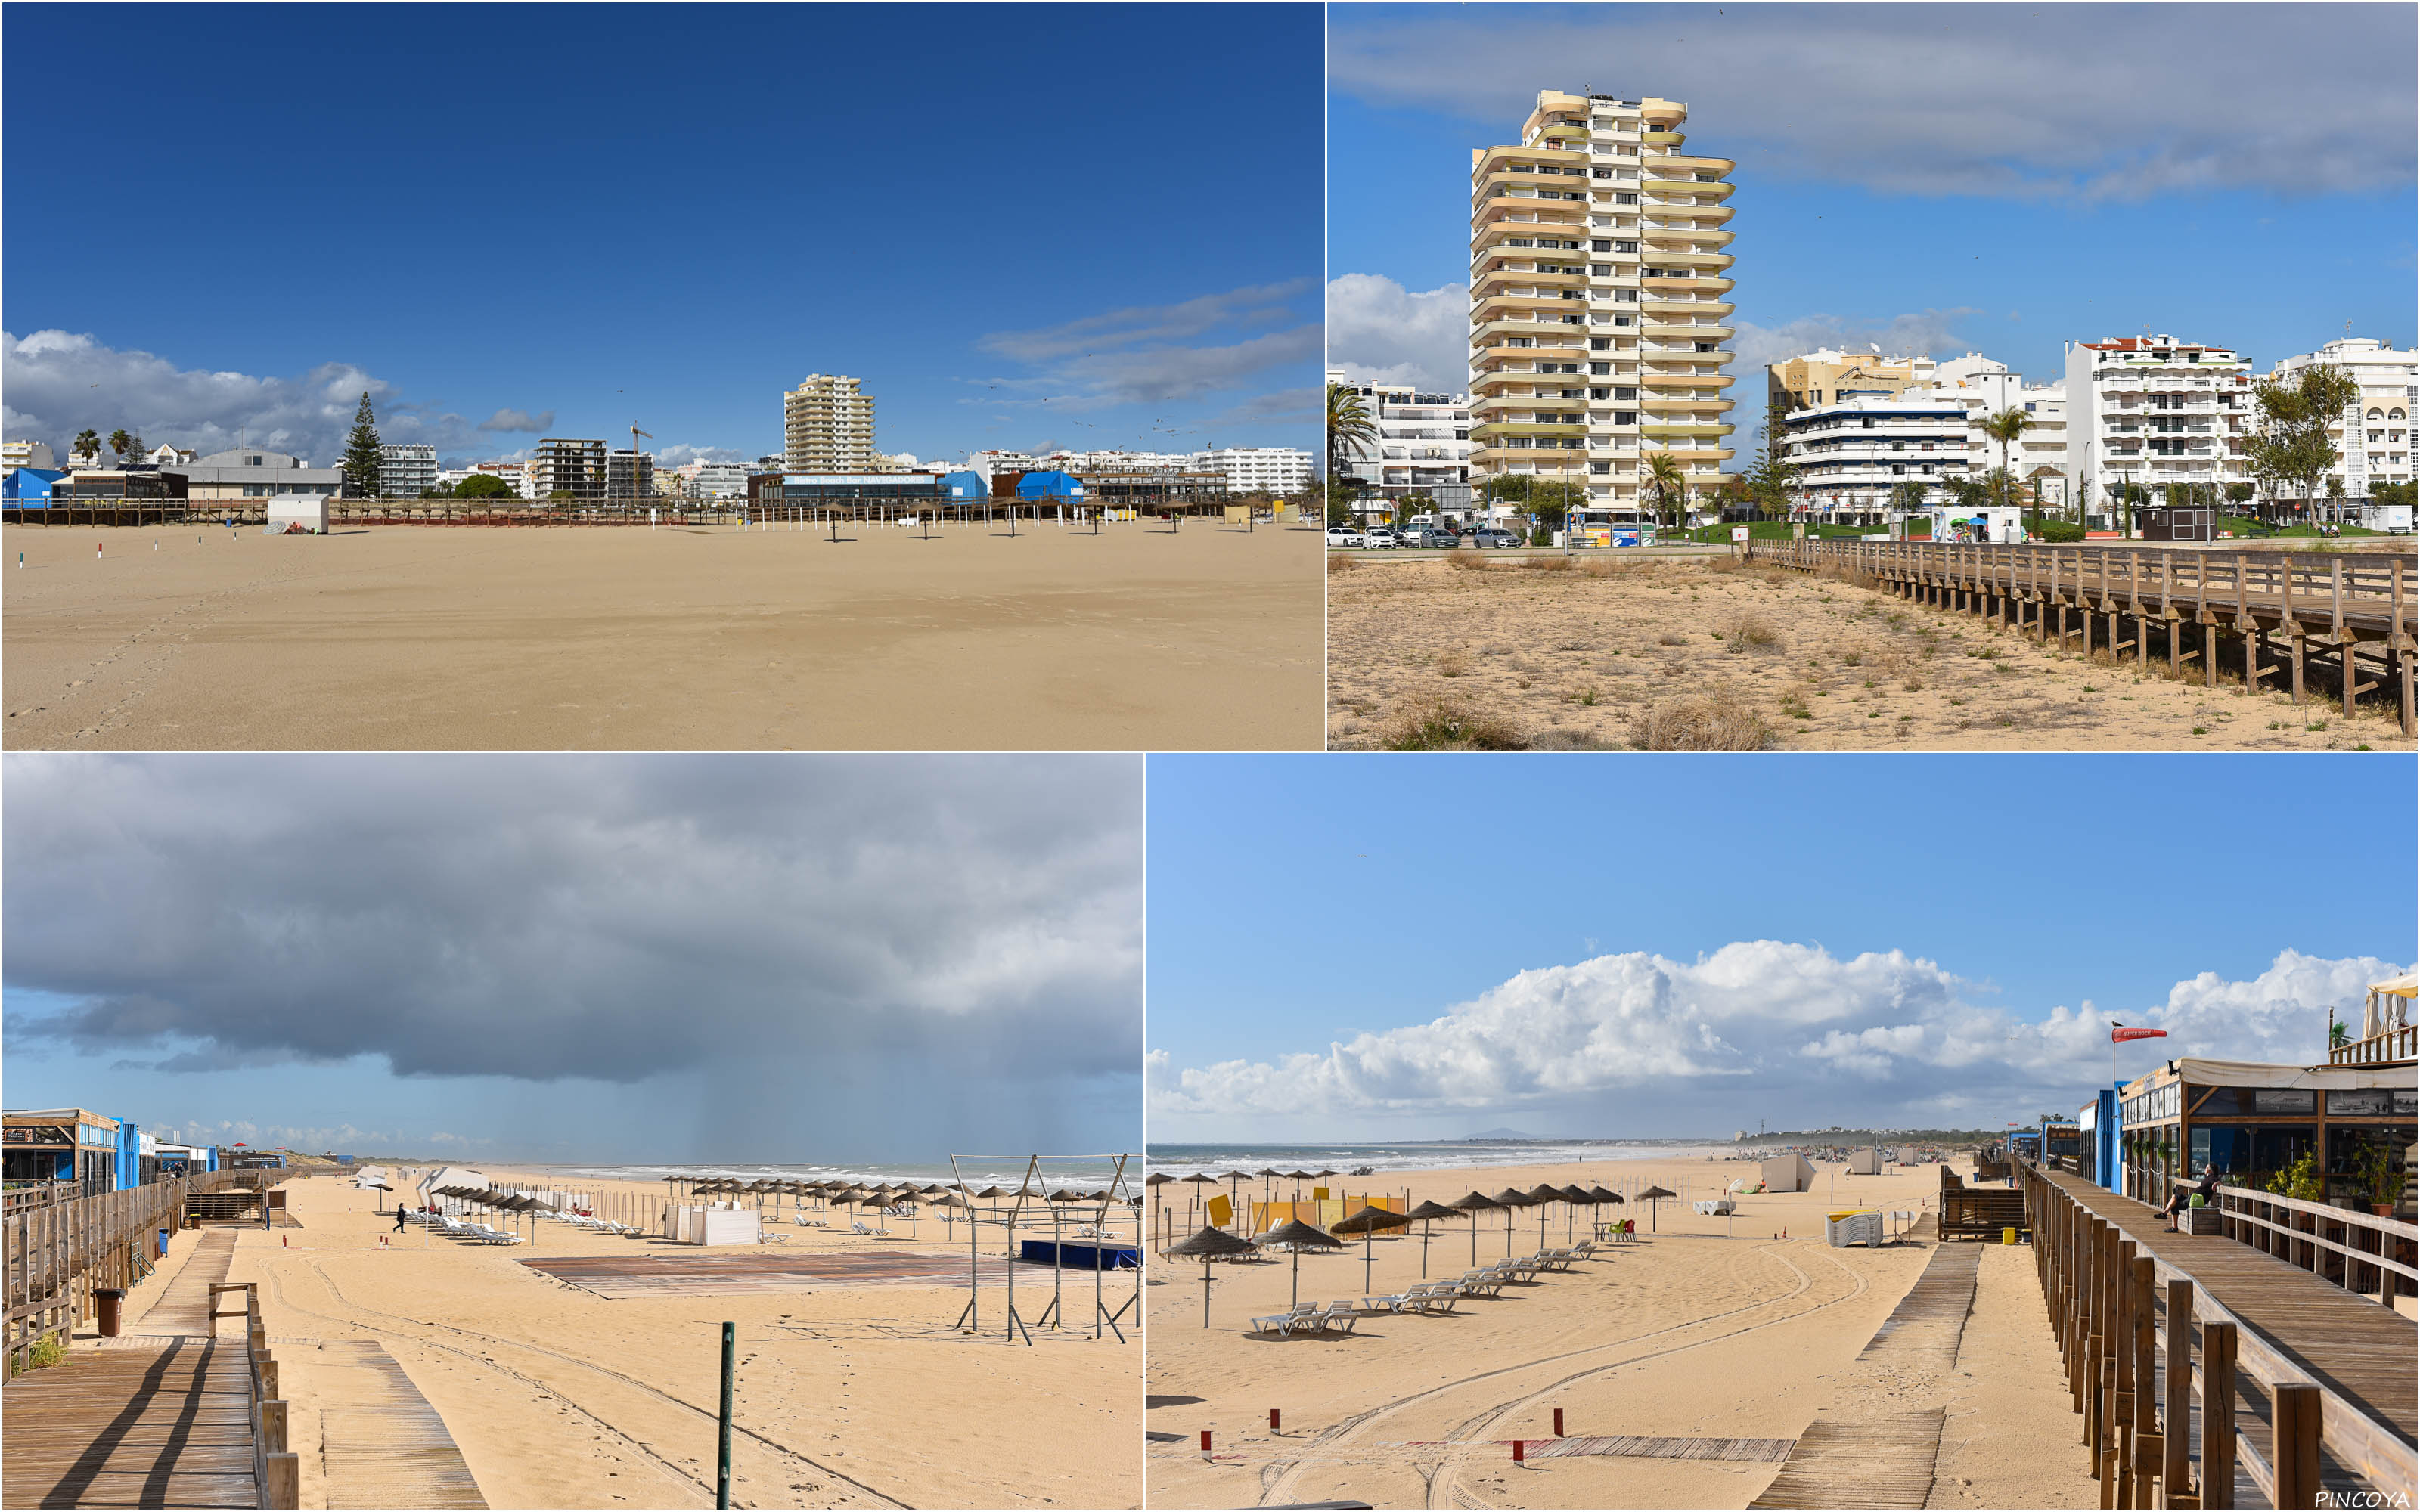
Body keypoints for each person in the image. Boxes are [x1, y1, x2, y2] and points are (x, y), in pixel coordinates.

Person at [2164, 1166, 2220, 1231]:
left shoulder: (2213, 1178)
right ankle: (2165, 1213)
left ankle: (2173, 1226)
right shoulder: (2209, 1178)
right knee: (2175, 1196)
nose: (2205, 1169)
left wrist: (2216, 1183)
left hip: (2196, 1199)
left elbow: (2220, 1182)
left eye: (2207, 1167)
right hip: (2192, 1196)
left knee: (2174, 1205)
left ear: (2211, 1170)